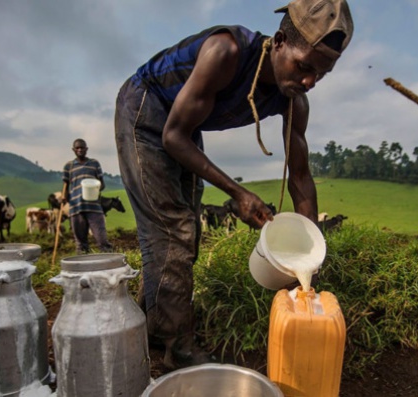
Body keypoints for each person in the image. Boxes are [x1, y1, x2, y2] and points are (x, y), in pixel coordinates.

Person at [114, 0, 353, 370]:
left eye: (321, 74)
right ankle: (177, 347)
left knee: (187, 230)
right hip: (148, 110)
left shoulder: (294, 101)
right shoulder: (226, 52)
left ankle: (152, 324)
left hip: (185, 127)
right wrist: (238, 192)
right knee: (172, 228)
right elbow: (173, 136)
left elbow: (301, 180)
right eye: (304, 66)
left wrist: (313, 253)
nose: (309, 81)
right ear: (278, 42)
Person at [62, 138, 112, 254]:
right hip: (76, 208)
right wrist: (64, 197)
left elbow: (102, 184)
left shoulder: (94, 164)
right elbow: (65, 185)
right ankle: (83, 268)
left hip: (94, 207)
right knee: (80, 244)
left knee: (102, 239)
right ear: (73, 150)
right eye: (77, 148)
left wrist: (95, 187)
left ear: (86, 149)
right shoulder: (68, 166)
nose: (80, 150)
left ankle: (110, 265)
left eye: (82, 147)